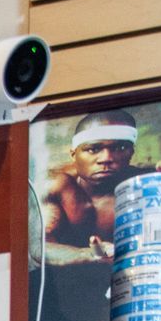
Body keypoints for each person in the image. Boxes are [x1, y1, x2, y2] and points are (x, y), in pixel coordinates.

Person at [41, 109, 140, 258]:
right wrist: (87, 255)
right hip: (73, 277)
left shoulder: (144, 185)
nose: (106, 158)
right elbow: (39, 247)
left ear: (131, 152)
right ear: (74, 154)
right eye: (93, 149)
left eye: (119, 148)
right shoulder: (59, 188)